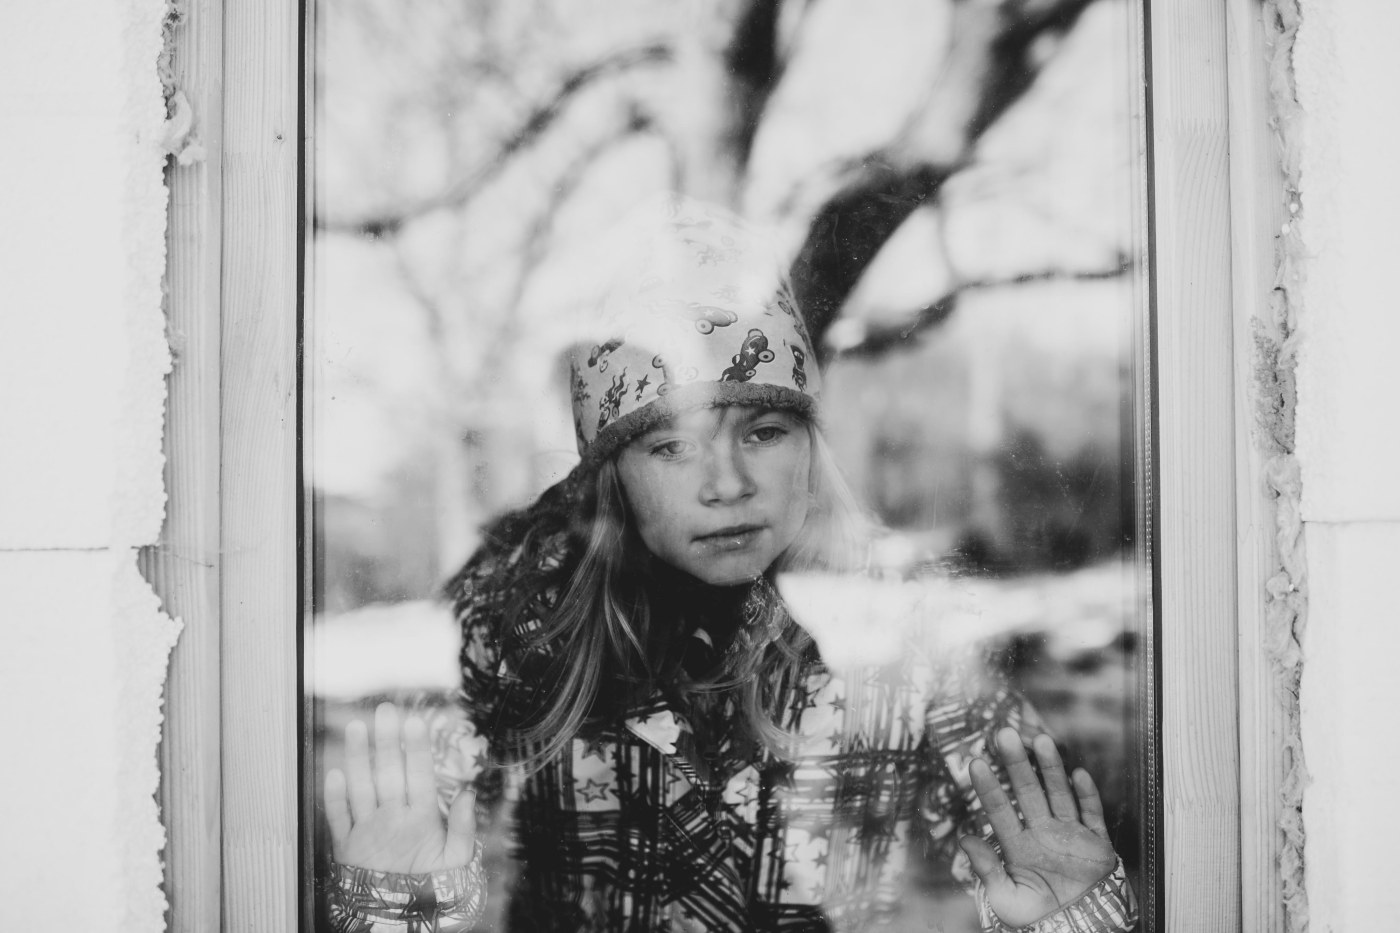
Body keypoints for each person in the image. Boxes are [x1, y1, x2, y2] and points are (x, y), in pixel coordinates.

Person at [321, 195, 1138, 932]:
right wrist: (400, 907)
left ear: (809, 448)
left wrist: (1069, 916)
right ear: (613, 479)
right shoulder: (519, 653)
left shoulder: (906, 658)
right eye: (671, 446)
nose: (728, 483)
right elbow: (418, 868)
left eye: (764, 432)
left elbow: (1038, 868)